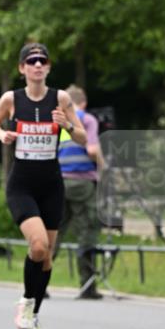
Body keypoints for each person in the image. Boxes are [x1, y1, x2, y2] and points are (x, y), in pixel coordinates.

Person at [0, 43, 86, 329]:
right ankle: (26, 303)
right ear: (22, 68)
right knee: (38, 245)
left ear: (49, 67)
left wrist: (67, 123)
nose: (38, 65)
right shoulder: (12, 99)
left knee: (47, 256)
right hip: (22, 184)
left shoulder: (61, 98)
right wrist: (2, 133)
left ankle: (33, 315)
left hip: (52, 184)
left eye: (43, 60)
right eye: (32, 61)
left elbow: (81, 137)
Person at [56, 85, 105, 299]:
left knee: (54, 232)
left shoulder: (56, 120)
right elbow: (92, 150)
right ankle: (88, 286)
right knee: (87, 230)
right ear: (82, 102)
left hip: (58, 182)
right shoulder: (87, 119)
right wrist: (104, 166)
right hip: (82, 182)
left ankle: (39, 282)